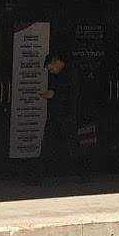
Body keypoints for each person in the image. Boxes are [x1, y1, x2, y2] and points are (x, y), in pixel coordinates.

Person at [38, 49, 80, 182]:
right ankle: (42, 173)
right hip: (59, 114)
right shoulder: (62, 74)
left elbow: (68, 94)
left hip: (66, 114)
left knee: (69, 143)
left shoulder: (70, 73)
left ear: (56, 62)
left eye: (51, 69)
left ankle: (79, 172)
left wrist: (51, 95)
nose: (51, 72)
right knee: (51, 142)